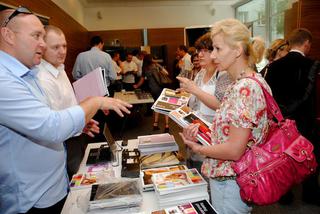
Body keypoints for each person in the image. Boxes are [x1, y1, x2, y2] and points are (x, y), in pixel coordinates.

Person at [0, 8, 131, 214]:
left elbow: (55, 115)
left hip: (52, 185)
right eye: (36, 36)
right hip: (30, 197)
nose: (42, 44)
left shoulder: (29, 72)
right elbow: (52, 126)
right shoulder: (4, 79)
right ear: (8, 35)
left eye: (43, 38)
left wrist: (81, 121)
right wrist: (94, 102)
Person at [180, 19, 271, 213]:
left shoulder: (244, 88)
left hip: (231, 180)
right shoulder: (247, 81)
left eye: (218, 49)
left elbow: (234, 150)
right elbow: (232, 132)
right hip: (234, 177)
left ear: (237, 50)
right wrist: (203, 133)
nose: (213, 55)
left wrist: (198, 148)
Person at [265, 28, 320, 205]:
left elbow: (269, 97)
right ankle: (310, 194)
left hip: (281, 122)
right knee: (309, 157)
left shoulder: (273, 67)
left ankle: (285, 196)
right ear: (306, 44)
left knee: (283, 159)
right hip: (304, 121)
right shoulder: (312, 65)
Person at [37, 25, 96, 178]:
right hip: (61, 143)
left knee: (80, 176)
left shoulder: (60, 69)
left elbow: (68, 103)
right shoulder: (43, 78)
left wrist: (82, 122)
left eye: (64, 46)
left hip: (74, 134)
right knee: (73, 178)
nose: (62, 51)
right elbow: (55, 123)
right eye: (55, 47)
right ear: (42, 48)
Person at [177, 32, 233, 172]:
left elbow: (221, 105)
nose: (199, 55)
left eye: (204, 51)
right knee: (194, 172)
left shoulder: (224, 74)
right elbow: (196, 102)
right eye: (198, 51)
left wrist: (194, 90)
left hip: (213, 136)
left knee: (208, 176)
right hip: (196, 130)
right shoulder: (201, 72)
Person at [134, 54, 170, 132]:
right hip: (161, 88)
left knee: (156, 106)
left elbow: (142, 80)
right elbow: (166, 73)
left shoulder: (145, 69)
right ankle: (167, 126)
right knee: (164, 106)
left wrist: (136, 86)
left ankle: (155, 124)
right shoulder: (156, 67)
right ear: (151, 59)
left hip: (152, 89)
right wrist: (158, 64)